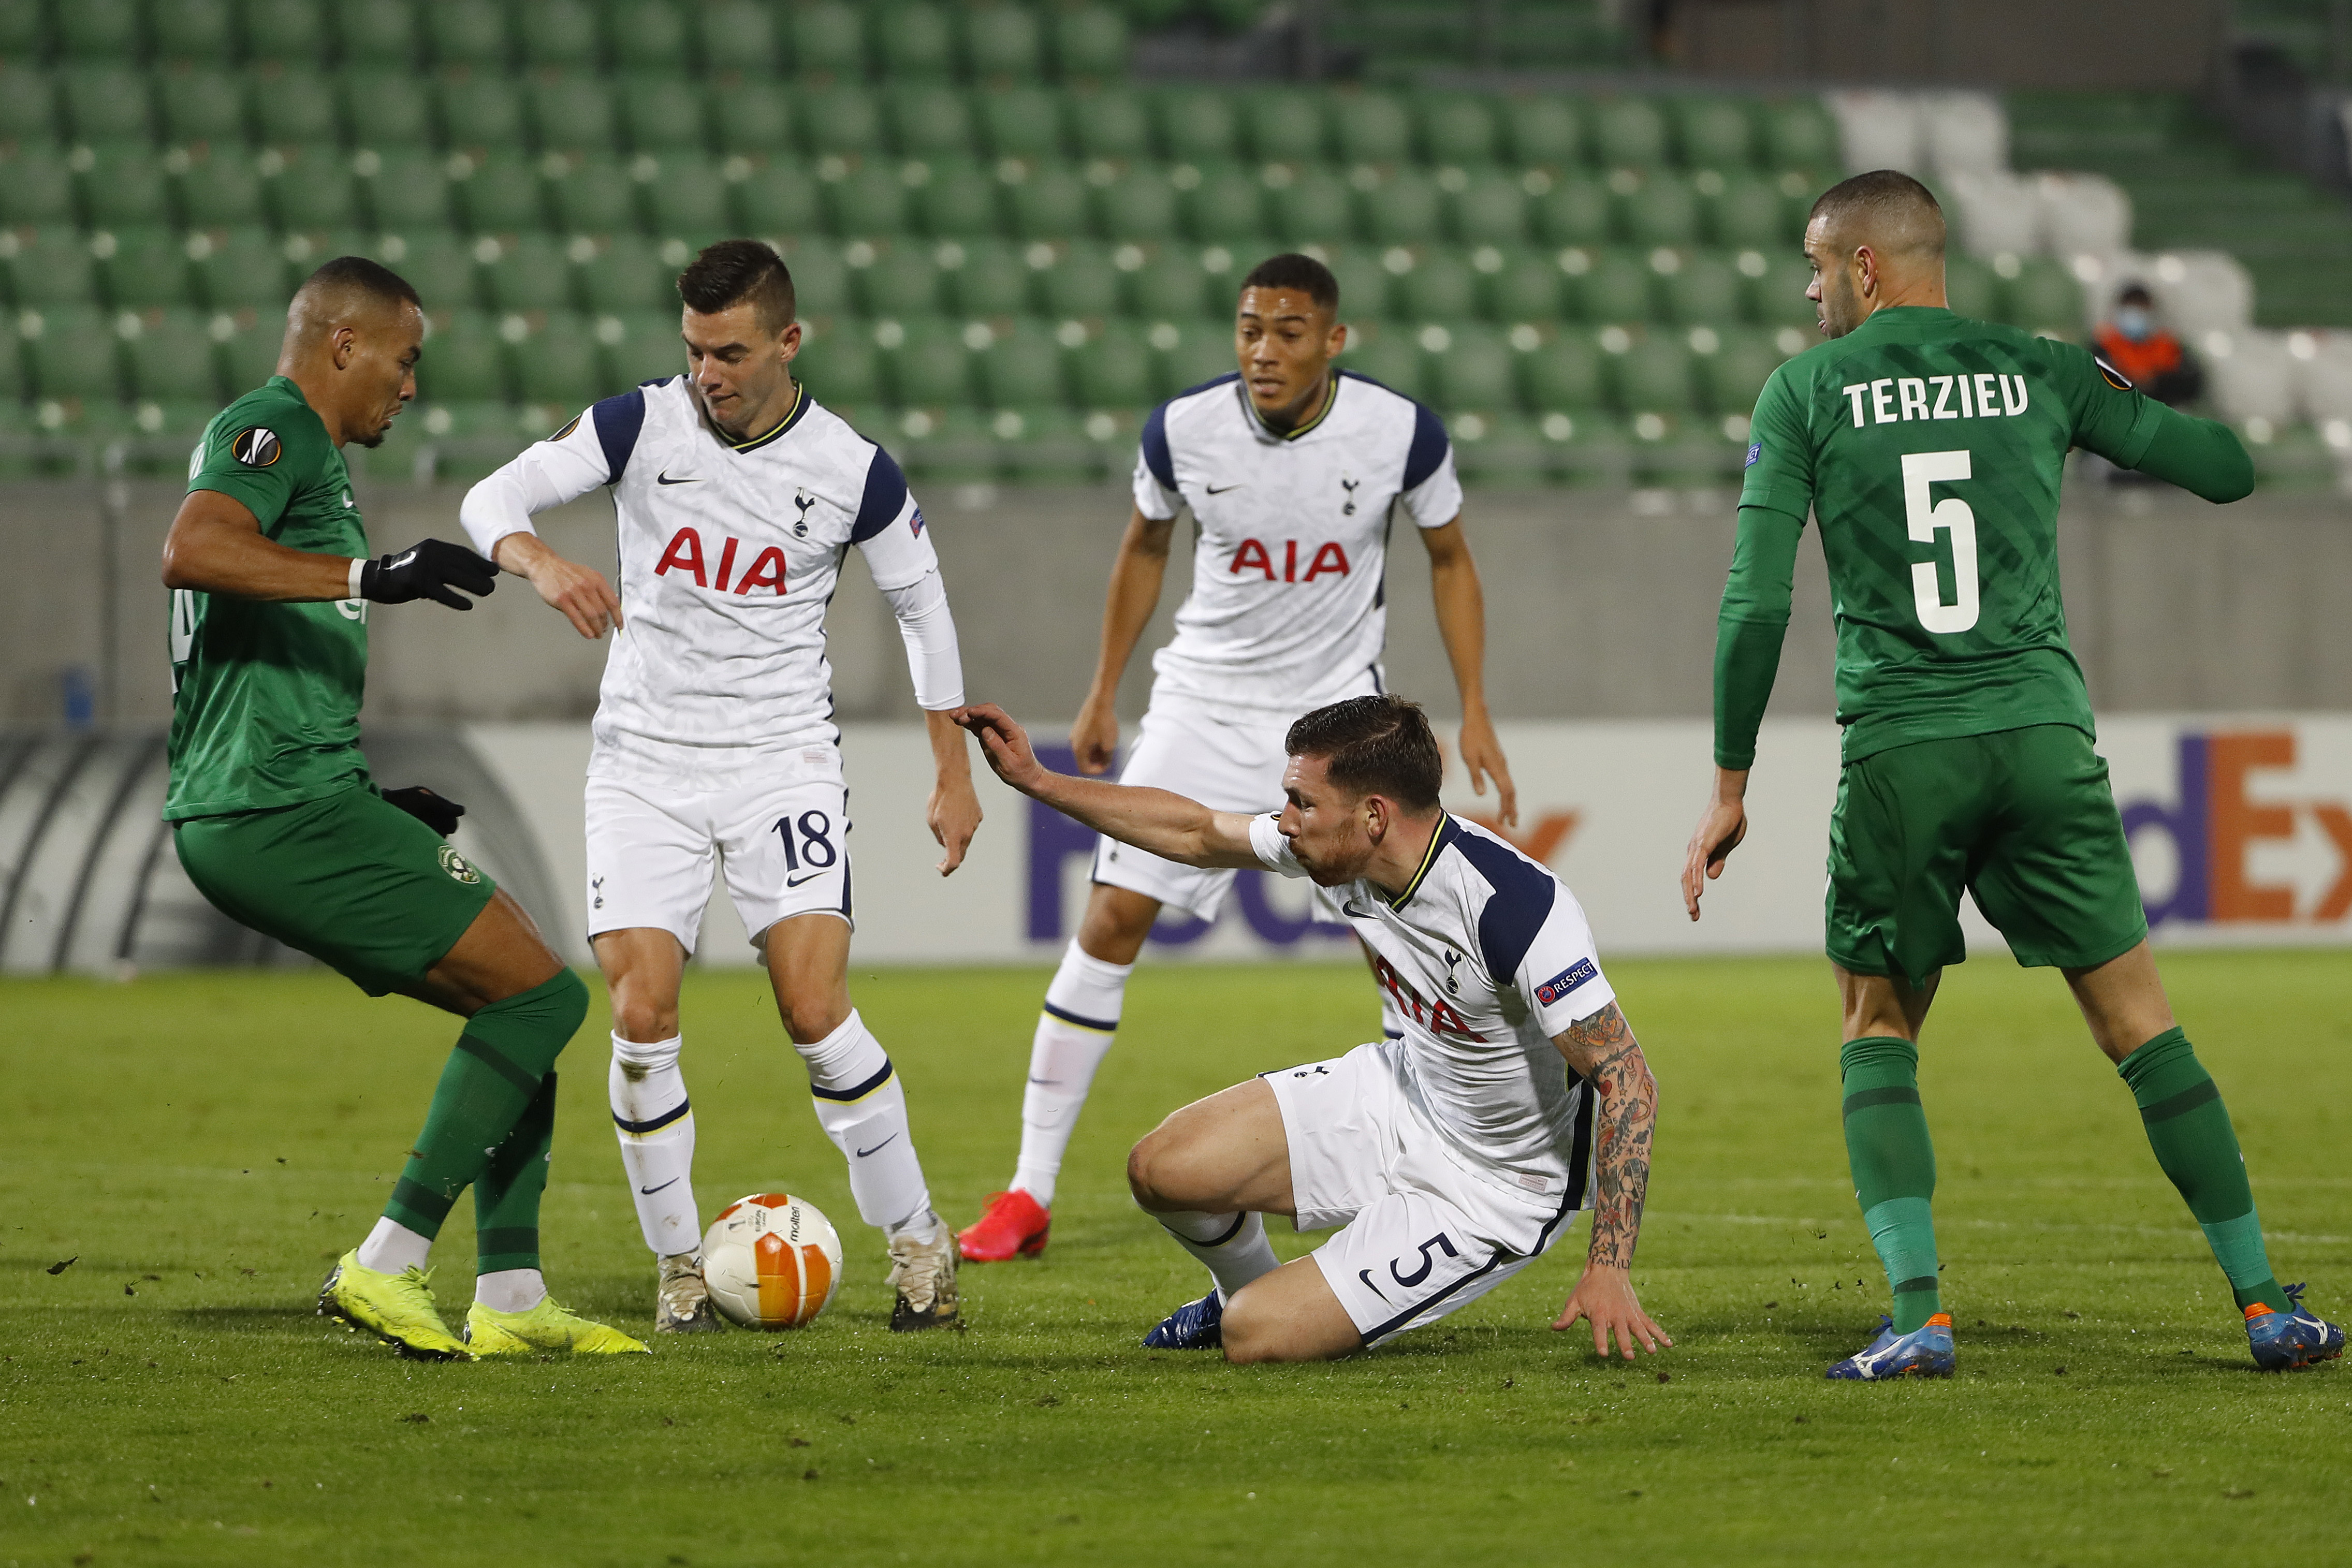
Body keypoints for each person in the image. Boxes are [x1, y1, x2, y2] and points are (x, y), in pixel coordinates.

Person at [1681, 170, 2342, 1380]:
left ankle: (1921, 1315)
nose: (1809, 285)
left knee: (1877, 1022)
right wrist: (2106, 398)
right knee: (2141, 1020)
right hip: (2041, 737)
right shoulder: (2040, 368)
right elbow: (2228, 467)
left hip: (1903, 749)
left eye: (1819, 262)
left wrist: (1731, 781)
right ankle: (2265, 1307)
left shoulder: (1805, 392)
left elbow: (1755, 598)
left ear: (1868, 268)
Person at [459, 239, 981, 1334]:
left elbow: (925, 613)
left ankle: (920, 1246)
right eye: (695, 350)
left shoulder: (853, 468)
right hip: (644, 764)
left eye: (732, 352)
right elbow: (492, 494)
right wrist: (539, 560)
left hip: (779, 760)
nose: (710, 373)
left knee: (815, 1009)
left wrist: (951, 769)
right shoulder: (638, 425)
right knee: (641, 1013)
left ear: (789, 342)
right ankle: (681, 1268)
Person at [957, 252, 1519, 1265]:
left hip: (1337, 712)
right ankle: (1027, 1190)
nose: (1264, 349)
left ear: (1333, 340)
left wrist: (1475, 706)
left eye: (1289, 330)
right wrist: (1101, 686)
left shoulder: (1400, 432)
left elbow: (1451, 559)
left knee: (1389, 938)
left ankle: (1435, 1153)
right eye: (1250, 328)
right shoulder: (1183, 428)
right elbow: (1142, 546)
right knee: (1111, 916)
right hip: (1203, 699)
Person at [161, 256, 640, 1360]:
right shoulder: (269, 427)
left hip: (289, 796)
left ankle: (513, 1296)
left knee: (521, 998)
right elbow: (192, 548)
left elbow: (253, 667)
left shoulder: (307, 453)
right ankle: (386, 1263)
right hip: (268, 810)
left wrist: (377, 796)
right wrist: (369, 576)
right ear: (343, 344)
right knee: (538, 995)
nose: (411, 385)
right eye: (405, 358)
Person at [956, 696, 1665, 1364]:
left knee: (1252, 1337)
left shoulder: (1514, 909)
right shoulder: (1339, 846)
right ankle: (1242, 1286)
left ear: (1374, 816)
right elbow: (1199, 832)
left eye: (1301, 802)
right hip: (1401, 1093)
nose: (1284, 820)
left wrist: (1608, 1266)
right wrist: (1037, 781)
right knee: (1161, 1170)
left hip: (1493, 1187)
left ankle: (1250, 1307)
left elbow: (1627, 1080)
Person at [2096, 285, 2202, 408]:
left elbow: (2190, 384)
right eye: (2130, 308)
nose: (2135, 316)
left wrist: (2156, 382)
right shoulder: (2105, 345)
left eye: (2141, 308)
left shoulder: (2168, 346)